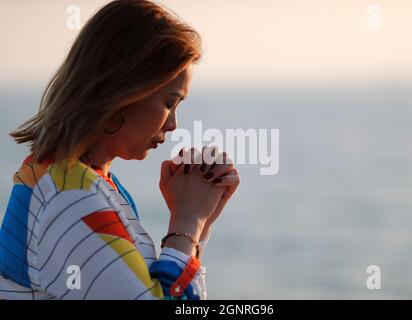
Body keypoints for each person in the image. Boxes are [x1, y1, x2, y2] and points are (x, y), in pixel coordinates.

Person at [0, 0, 240, 300]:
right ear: (124, 92)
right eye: (169, 103)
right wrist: (187, 222)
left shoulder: (76, 183)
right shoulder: (71, 198)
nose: (173, 125)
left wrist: (198, 226)